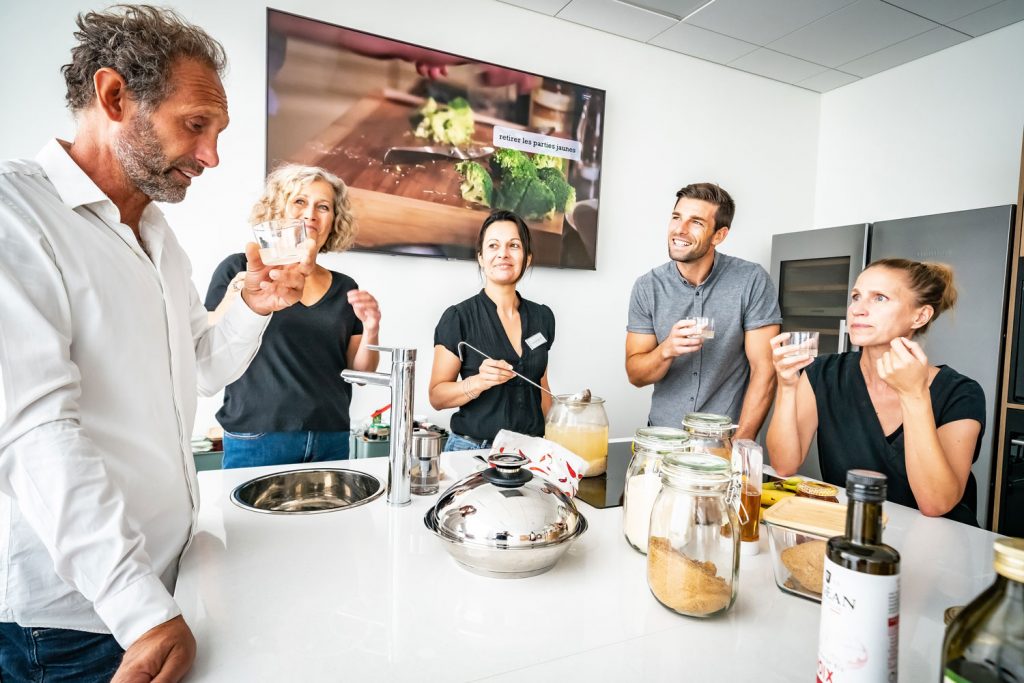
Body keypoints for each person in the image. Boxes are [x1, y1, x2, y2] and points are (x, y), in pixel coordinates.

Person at [0, 7, 315, 682]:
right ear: (114, 97)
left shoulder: (156, 238)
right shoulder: (15, 216)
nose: (212, 155)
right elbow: (34, 434)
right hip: (75, 621)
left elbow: (200, 367)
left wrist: (251, 308)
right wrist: (138, 606)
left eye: (218, 132)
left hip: (159, 587)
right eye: (195, 124)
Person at [766, 259, 985, 526]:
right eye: (856, 297)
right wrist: (787, 388)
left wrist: (913, 394)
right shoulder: (823, 374)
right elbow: (784, 465)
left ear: (920, 316)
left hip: (938, 548)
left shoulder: (960, 393)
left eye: (880, 298)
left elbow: (936, 503)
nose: (858, 309)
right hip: (855, 535)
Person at [205, 164, 381, 468]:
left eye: (323, 206)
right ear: (277, 209)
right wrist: (239, 294)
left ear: (333, 221)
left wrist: (372, 328)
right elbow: (207, 343)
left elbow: (360, 372)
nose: (311, 213)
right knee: (252, 519)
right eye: (300, 201)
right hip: (257, 435)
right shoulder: (240, 268)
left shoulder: (345, 287)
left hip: (331, 437)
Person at [625, 183, 782, 438]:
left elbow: (764, 371)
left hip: (722, 442)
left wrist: (739, 446)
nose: (680, 229)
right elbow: (636, 375)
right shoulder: (647, 287)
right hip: (663, 439)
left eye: (696, 222)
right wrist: (667, 350)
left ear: (719, 235)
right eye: (676, 217)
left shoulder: (751, 280)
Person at [429, 210, 554, 451]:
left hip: (531, 450)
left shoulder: (543, 317)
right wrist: (478, 382)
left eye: (514, 245)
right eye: (493, 245)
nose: (503, 254)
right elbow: (437, 397)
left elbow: (542, 387)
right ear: (481, 258)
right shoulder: (458, 318)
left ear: (527, 258)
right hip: (473, 450)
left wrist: (557, 437)